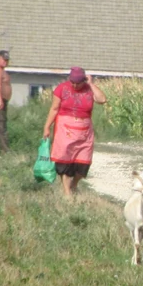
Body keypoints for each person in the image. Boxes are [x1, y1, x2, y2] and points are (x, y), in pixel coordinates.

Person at [43, 67, 107, 196]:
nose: (75, 85)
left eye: (78, 82)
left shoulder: (89, 89)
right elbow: (54, 109)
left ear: (84, 80)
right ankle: (67, 192)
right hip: (64, 129)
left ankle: (74, 184)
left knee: (83, 163)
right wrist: (47, 127)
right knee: (64, 161)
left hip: (84, 131)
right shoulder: (61, 89)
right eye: (73, 82)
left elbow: (102, 99)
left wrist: (90, 84)